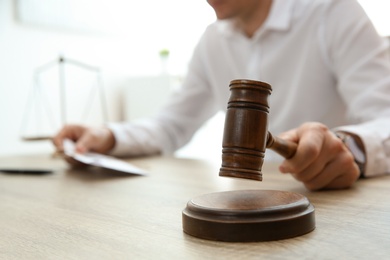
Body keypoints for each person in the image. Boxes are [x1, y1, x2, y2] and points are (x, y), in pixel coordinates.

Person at [53, 0, 390, 191]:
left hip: (331, 201)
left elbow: (385, 117)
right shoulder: (211, 40)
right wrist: (108, 136)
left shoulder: (333, 12)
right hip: (247, 200)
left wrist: (349, 147)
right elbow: (171, 124)